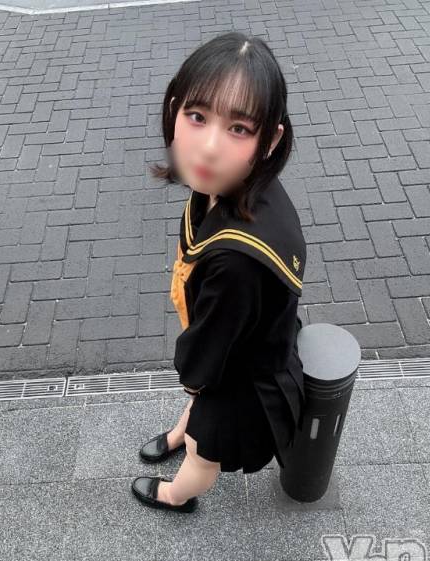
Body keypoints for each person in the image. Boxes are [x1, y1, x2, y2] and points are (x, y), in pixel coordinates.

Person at [131, 31, 307, 513]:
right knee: (199, 407)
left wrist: (193, 381)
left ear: (271, 139)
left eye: (238, 128)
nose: (208, 147)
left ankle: (175, 495)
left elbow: (209, 350)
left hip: (244, 377)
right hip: (243, 347)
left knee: (203, 451)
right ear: (174, 109)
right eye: (197, 116)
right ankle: (183, 427)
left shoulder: (237, 261)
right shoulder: (235, 185)